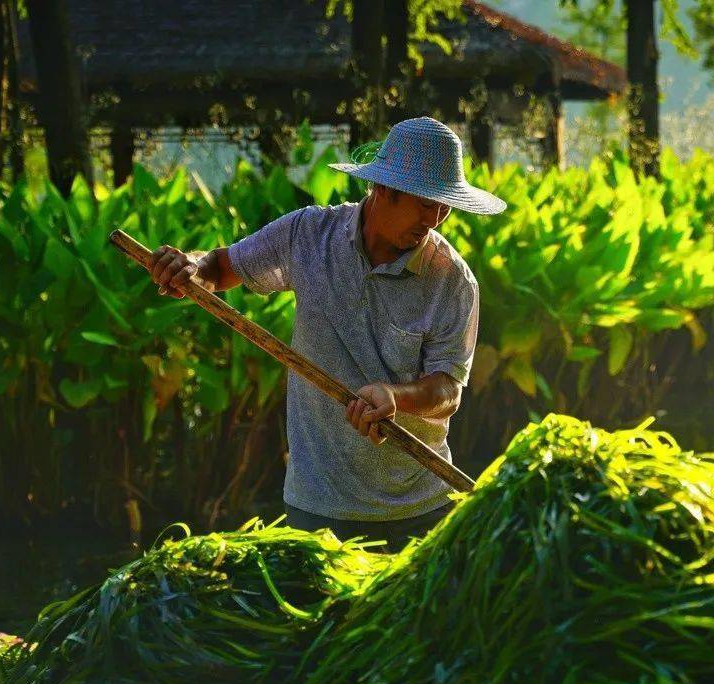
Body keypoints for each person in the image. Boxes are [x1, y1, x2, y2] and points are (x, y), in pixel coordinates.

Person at [147, 116, 506, 550]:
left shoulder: (453, 282)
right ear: (384, 190)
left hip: (419, 508)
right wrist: (190, 269)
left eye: (444, 206)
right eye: (426, 203)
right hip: (318, 507)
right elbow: (222, 268)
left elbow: (448, 389)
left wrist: (396, 397)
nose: (436, 219)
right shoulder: (309, 236)